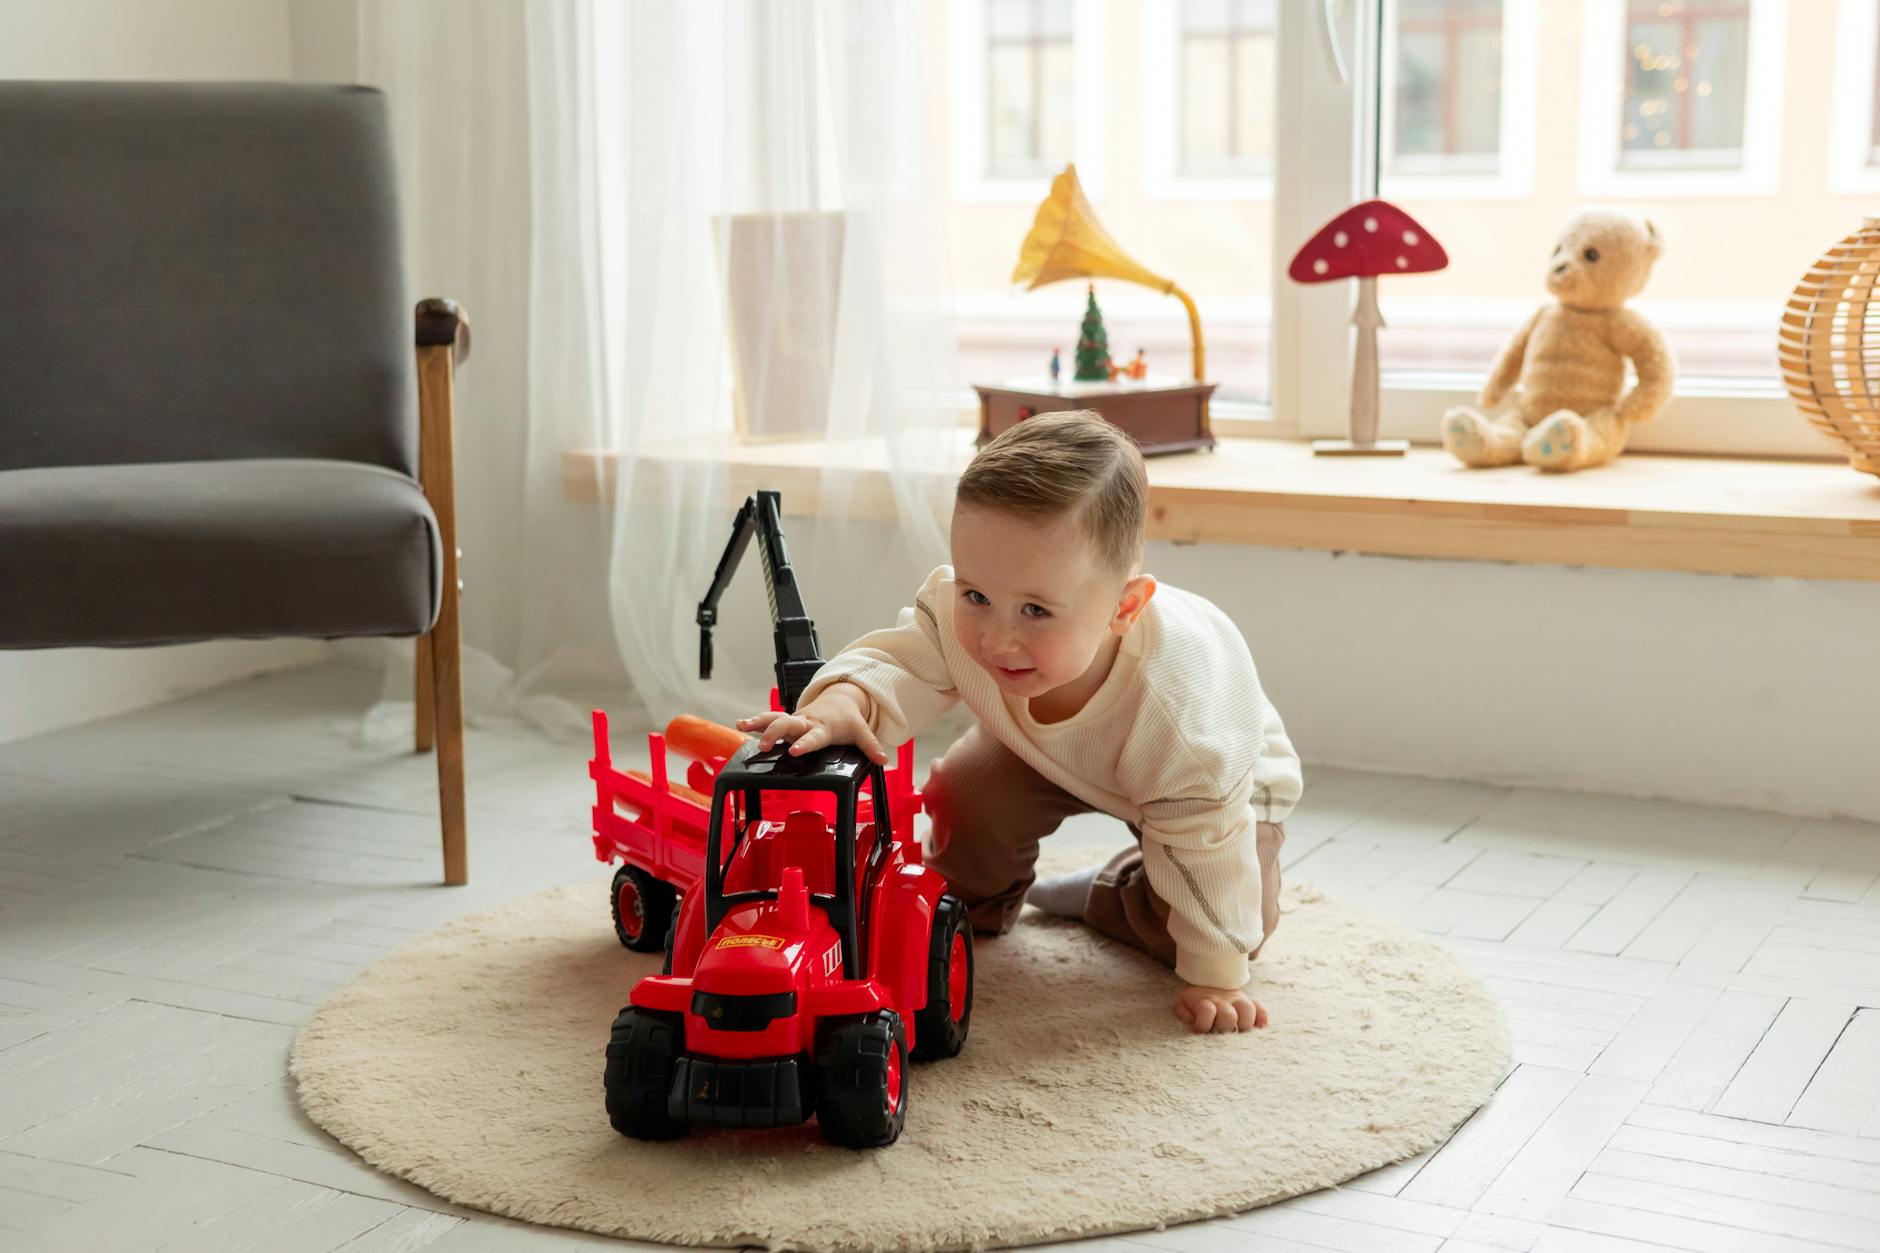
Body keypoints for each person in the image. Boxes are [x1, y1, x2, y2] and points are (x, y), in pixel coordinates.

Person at [738, 411, 1301, 1033]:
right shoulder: (967, 623)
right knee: (964, 789)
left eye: (1035, 610)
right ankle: (972, 905)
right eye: (976, 596)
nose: (998, 639)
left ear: (1124, 607)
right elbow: (902, 660)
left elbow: (1208, 842)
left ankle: (1107, 894)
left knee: (1231, 928)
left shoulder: (1184, 716)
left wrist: (1215, 975)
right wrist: (846, 699)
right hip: (1049, 749)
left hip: (1204, 785)